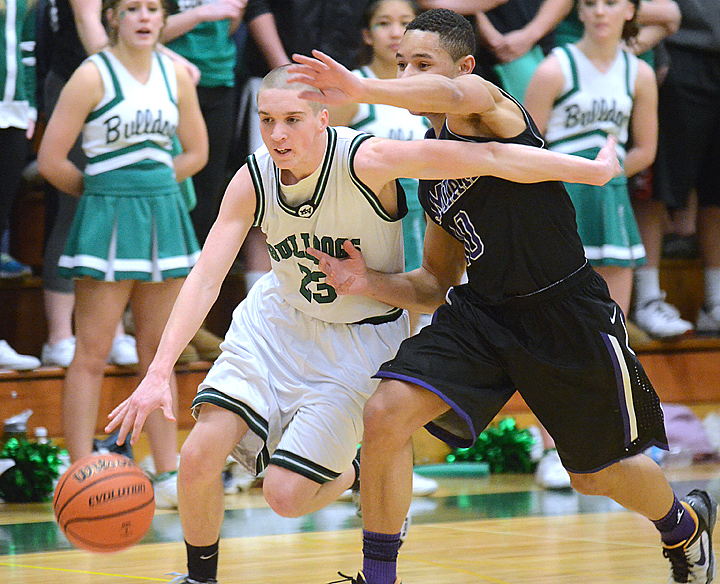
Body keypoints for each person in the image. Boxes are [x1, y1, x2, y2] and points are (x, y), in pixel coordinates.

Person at [104, 63, 619, 584]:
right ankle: (200, 579)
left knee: (285, 499)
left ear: (323, 118)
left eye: (293, 119)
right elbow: (205, 278)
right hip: (276, 322)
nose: (278, 135)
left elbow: (485, 156)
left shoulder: (366, 159)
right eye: (266, 120)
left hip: (359, 339)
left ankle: (360, 473)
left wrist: (586, 170)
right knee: (198, 453)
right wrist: (158, 371)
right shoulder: (254, 178)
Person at [288, 9, 717, 584]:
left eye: (422, 62)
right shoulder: (431, 169)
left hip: (565, 312)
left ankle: (683, 525)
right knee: (385, 413)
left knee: (594, 474)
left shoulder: (488, 108)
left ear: (463, 66)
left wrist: (367, 85)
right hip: (484, 315)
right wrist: (366, 282)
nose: (410, 72)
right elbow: (434, 283)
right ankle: (378, 577)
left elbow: (447, 91)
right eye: (401, 63)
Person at [37, 0, 208, 508]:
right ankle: (77, 470)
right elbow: (50, 159)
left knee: (158, 355)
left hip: (163, 217)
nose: (143, 17)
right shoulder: (92, 75)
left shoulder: (177, 75)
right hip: (107, 220)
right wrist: (103, 195)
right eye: (131, 7)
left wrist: (151, 184)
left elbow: (196, 152)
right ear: (111, 16)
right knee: (91, 352)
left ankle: (168, 470)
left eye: (153, 8)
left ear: (162, 17)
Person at [329, 0, 438, 502]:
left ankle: (394, 460)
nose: (395, 32)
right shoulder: (353, 93)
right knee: (369, 345)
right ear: (367, 34)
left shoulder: (428, 96)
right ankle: (350, 459)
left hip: (425, 225)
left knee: (410, 348)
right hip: (369, 235)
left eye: (405, 24)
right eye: (384, 23)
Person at [647, 0, 720, 336]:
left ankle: (716, 301)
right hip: (680, 53)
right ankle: (647, 299)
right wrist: (658, 53)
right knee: (658, 183)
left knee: (716, 191)